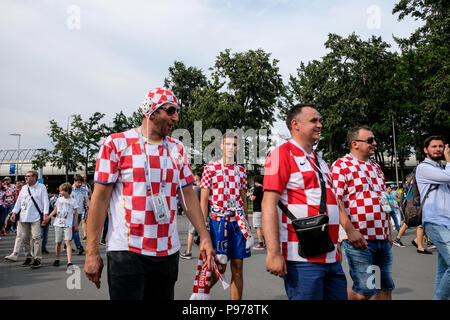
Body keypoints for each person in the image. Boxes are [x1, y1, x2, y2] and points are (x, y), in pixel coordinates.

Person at [84, 88, 214, 300]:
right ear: (151, 113)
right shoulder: (116, 144)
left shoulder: (177, 149)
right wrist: (91, 252)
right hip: (127, 251)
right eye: (170, 111)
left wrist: (205, 236)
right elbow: (99, 199)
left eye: (176, 111)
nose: (176, 117)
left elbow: (188, 195)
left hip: (167, 251)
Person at [262, 104, 346, 300]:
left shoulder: (320, 160)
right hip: (301, 258)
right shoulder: (280, 155)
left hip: (329, 253)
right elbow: (268, 204)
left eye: (319, 120)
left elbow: (332, 201)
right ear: (295, 124)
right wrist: (273, 253)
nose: (320, 125)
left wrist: (337, 239)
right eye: (314, 121)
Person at [331, 125, 394, 300]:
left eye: (374, 140)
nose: (375, 143)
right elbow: (336, 200)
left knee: (384, 288)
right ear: (354, 144)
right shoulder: (341, 165)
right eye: (370, 140)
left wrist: (387, 230)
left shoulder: (376, 167)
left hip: (381, 238)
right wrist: (350, 231)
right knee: (364, 291)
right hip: (359, 239)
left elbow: (383, 200)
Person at [200, 132, 252, 300]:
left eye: (234, 145)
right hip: (218, 223)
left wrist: (247, 224)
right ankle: (199, 294)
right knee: (219, 267)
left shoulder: (242, 171)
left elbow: (244, 199)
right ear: (221, 146)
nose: (231, 147)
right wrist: (202, 230)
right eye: (228, 144)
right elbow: (203, 200)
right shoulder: (210, 168)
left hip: (237, 223)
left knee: (237, 267)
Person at [415, 135, 450, 300]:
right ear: (425, 150)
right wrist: (449, 160)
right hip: (435, 222)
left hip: (446, 222)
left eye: (441, 146)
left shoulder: (442, 168)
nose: (438, 149)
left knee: (443, 268)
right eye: (434, 146)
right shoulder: (423, 168)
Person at [4, 171, 49, 269]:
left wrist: (45, 214)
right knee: (25, 239)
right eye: (25, 176)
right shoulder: (24, 188)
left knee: (36, 237)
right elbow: (19, 202)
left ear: (35, 177)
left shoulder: (41, 187)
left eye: (28, 176)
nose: (26, 178)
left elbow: (46, 201)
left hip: (36, 216)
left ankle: (37, 259)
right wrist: (14, 212)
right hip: (23, 217)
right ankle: (28, 257)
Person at [42, 182, 79, 269]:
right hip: (58, 222)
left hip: (68, 223)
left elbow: (76, 213)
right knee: (58, 242)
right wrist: (48, 217)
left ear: (67, 191)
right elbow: (55, 210)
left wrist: (76, 224)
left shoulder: (73, 201)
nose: (60, 192)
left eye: (61, 191)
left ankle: (69, 261)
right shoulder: (59, 200)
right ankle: (57, 258)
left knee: (68, 242)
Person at [180, 174, 202, 259]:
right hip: (204, 214)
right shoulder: (204, 187)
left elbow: (192, 201)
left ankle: (188, 252)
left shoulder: (197, 188)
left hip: (196, 214)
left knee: (191, 232)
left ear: (196, 180)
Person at [72, 174, 89, 248]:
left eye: (81, 183)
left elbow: (86, 200)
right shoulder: (69, 189)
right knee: (75, 229)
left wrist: (90, 209)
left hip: (79, 212)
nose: (80, 184)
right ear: (74, 181)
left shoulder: (83, 190)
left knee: (73, 229)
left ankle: (66, 245)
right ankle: (79, 246)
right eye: (78, 182)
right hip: (71, 213)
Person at [250, 175, 264, 250]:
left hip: (257, 210)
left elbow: (252, 198)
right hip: (263, 209)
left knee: (258, 227)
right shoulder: (263, 188)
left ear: (256, 181)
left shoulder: (257, 188)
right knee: (263, 227)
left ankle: (260, 244)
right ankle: (267, 243)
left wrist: (249, 195)